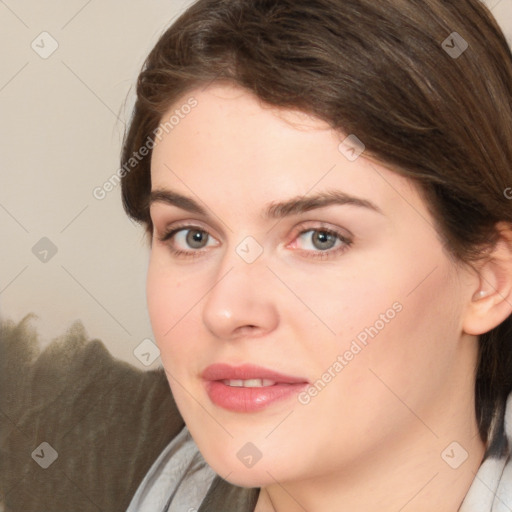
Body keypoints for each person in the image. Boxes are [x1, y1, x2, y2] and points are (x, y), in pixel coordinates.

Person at [1, 0, 511, 511]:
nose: (226, 310)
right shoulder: (76, 453)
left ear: (491, 278)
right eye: (192, 236)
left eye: (319, 238)